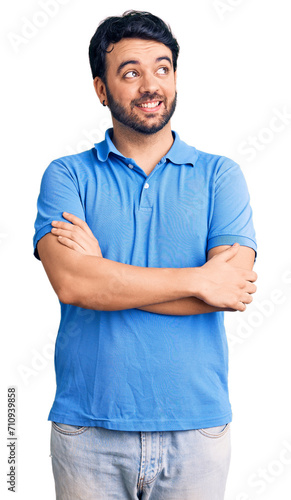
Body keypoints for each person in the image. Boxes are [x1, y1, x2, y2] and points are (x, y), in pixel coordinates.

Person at [33, 10, 257, 500]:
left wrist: (104, 278)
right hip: (87, 430)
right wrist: (198, 279)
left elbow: (230, 288)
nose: (150, 84)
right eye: (130, 72)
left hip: (197, 432)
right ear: (101, 89)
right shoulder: (66, 176)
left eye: (163, 68)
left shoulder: (221, 176)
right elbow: (74, 284)